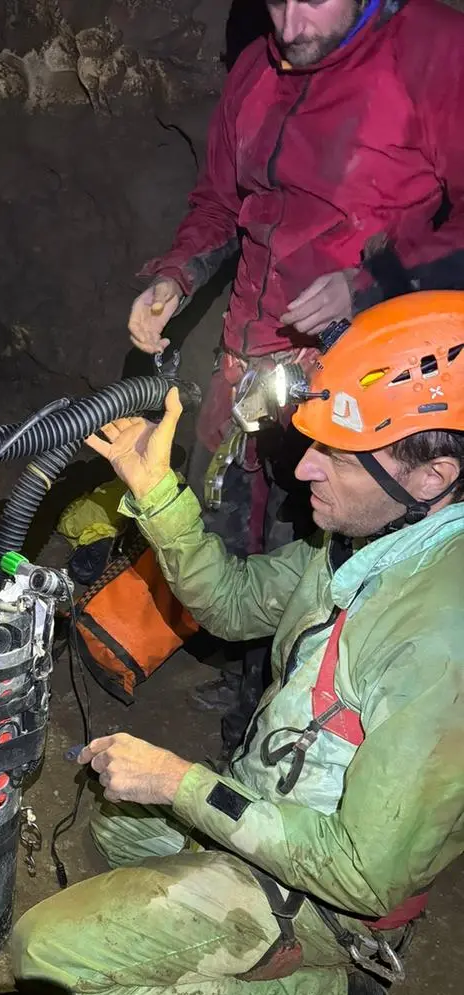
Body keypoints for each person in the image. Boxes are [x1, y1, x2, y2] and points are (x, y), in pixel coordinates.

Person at [13, 291, 464, 995]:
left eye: (337, 455)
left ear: (433, 474)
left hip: (336, 892)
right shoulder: (369, 541)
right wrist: (157, 495)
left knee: (45, 960)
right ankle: (222, 907)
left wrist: (179, 783)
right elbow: (232, 603)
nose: (301, 470)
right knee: (117, 826)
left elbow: (365, 875)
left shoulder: (444, 641)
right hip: (270, 803)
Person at [128, 0, 464, 757]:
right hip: (251, 355)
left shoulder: (433, 51)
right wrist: (179, 278)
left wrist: (370, 281)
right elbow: (219, 203)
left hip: (364, 371)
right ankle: (252, 695)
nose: (289, 21)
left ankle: (317, 721)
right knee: (239, 528)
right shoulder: (256, 68)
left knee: (326, 545)